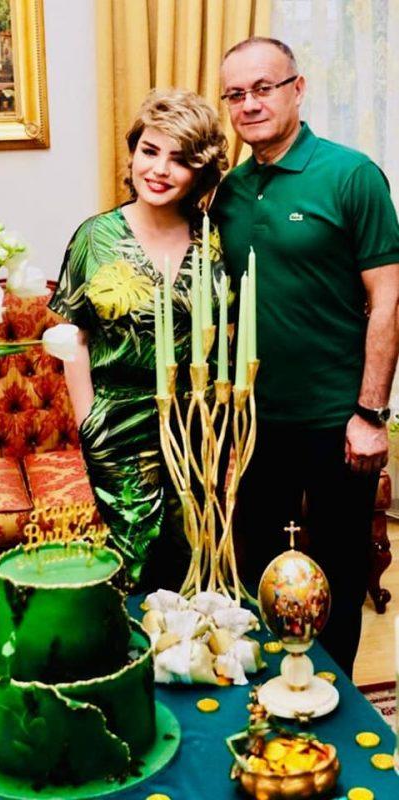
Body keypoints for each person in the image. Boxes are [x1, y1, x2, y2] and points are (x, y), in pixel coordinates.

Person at [212, 36, 399, 677]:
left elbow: (388, 298)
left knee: (338, 572)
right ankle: (271, 688)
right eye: (236, 94)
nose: (250, 104)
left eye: (264, 88)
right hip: (255, 422)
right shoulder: (230, 192)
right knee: (260, 567)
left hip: (336, 419)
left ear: (298, 88)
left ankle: (333, 697)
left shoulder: (350, 175)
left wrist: (370, 414)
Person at [50, 88, 228, 589]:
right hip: (119, 426)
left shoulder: (214, 238)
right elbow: (72, 335)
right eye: (150, 151)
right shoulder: (95, 237)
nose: (159, 169)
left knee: (195, 559)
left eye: (180, 159)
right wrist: (89, 421)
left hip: (198, 427)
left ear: (199, 171)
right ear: (133, 154)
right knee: (134, 564)